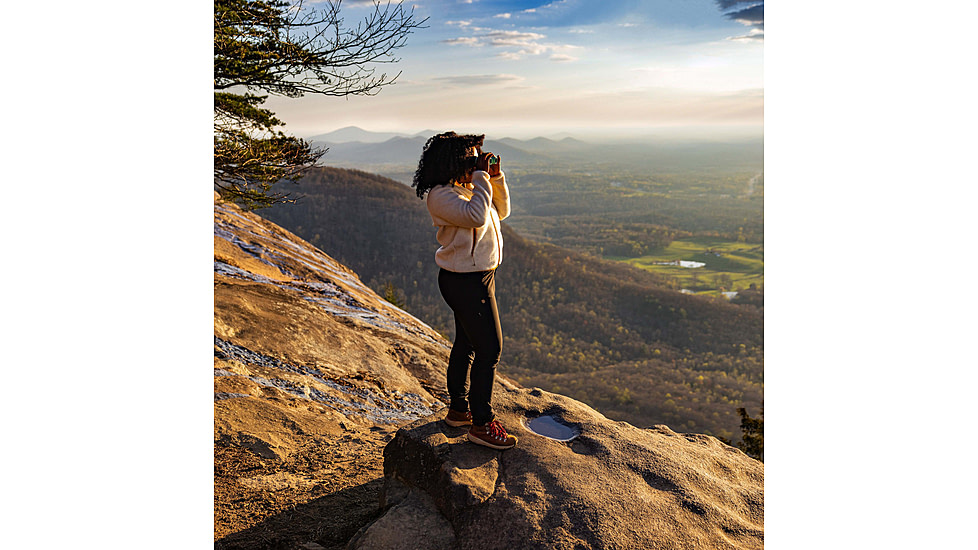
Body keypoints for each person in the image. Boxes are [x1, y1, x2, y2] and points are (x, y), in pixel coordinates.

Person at [412, 131, 518, 450]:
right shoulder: (441, 195)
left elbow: (500, 211)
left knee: (467, 344)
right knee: (491, 349)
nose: (476, 163)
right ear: (453, 161)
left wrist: (494, 178)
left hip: (478, 277)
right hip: (465, 281)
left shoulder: (468, 188)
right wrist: (482, 177)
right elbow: (476, 217)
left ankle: (459, 410)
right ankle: (482, 424)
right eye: (471, 158)